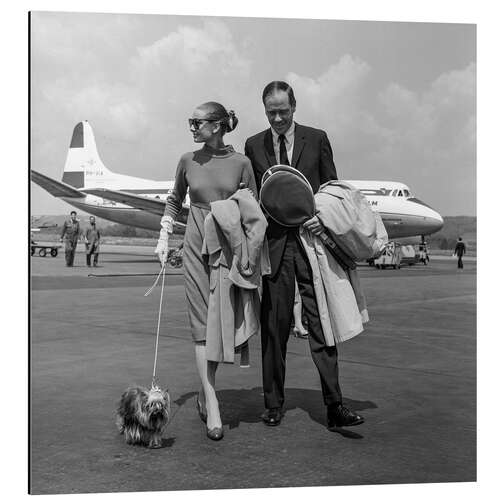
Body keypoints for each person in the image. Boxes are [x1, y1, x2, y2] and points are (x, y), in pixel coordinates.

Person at [244, 81, 364, 429]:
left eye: (283, 110)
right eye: (271, 112)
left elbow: (334, 189)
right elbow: (253, 196)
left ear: (294, 107)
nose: (278, 118)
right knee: (274, 326)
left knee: (321, 322)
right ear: (264, 110)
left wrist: (321, 219)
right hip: (276, 246)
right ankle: (273, 404)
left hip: (312, 244)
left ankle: (334, 405)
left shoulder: (318, 138)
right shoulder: (254, 145)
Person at [155, 102, 259, 441]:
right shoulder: (188, 160)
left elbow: (251, 210)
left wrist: (249, 257)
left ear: (217, 125)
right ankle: (212, 401)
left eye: (196, 122)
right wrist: (164, 235)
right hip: (194, 245)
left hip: (227, 249)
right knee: (201, 326)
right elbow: (174, 199)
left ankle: (204, 390)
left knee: (217, 324)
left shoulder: (242, 163)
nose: (192, 127)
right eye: (190, 122)